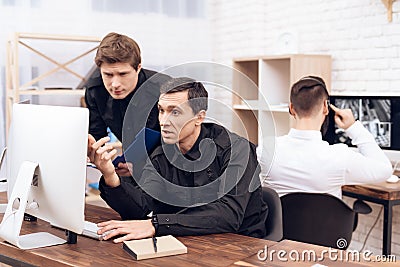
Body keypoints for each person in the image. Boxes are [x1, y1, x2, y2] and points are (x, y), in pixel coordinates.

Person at [88, 77, 268, 242]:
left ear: (199, 117)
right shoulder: (161, 152)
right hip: (187, 238)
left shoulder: (237, 149)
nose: (163, 121)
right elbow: (141, 206)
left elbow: (229, 214)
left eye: (174, 112)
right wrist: (110, 175)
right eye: (161, 111)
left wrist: (157, 224)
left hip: (241, 242)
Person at [257, 76, 392, 199]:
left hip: (280, 226)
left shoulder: (266, 149)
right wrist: (353, 127)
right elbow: (384, 170)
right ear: (325, 108)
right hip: (328, 226)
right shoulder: (340, 156)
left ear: (291, 108)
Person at [85, 32, 167, 176]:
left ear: (138, 67)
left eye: (123, 74)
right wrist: (106, 162)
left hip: (169, 166)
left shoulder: (164, 89)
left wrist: (146, 165)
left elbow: (182, 141)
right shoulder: (94, 90)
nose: (115, 84)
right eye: (108, 75)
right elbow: (97, 135)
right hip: (128, 163)